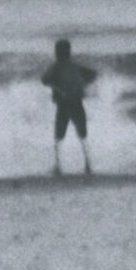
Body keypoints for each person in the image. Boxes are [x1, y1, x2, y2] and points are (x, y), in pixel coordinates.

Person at [40, 38, 97, 177]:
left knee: (59, 136)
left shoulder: (56, 67)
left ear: (59, 52)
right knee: (82, 134)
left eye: (57, 51)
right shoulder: (75, 66)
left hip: (64, 104)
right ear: (69, 52)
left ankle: (58, 166)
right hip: (76, 102)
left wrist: (58, 88)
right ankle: (88, 165)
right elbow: (93, 74)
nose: (56, 53)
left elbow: (44, 80)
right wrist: (82, 85)